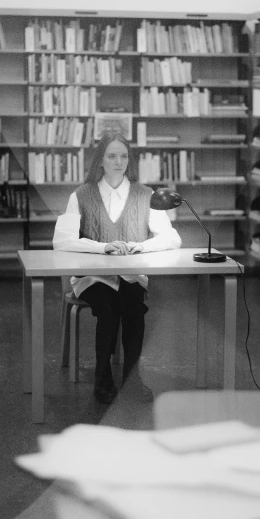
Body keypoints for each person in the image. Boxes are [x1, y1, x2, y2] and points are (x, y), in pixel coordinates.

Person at [53, 131, 181, 403]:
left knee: (134, 306)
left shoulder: (146, 195)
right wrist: (103, 247)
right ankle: (103, 380)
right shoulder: (81, 195)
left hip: (130, 275)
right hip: (92, 277)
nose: (118, 161)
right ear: (100, 160)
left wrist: (141, 246)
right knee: (109, 306)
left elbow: (172, 238)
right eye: (111, 156)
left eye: (123, 156)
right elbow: (62, 241)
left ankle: (132, 381)